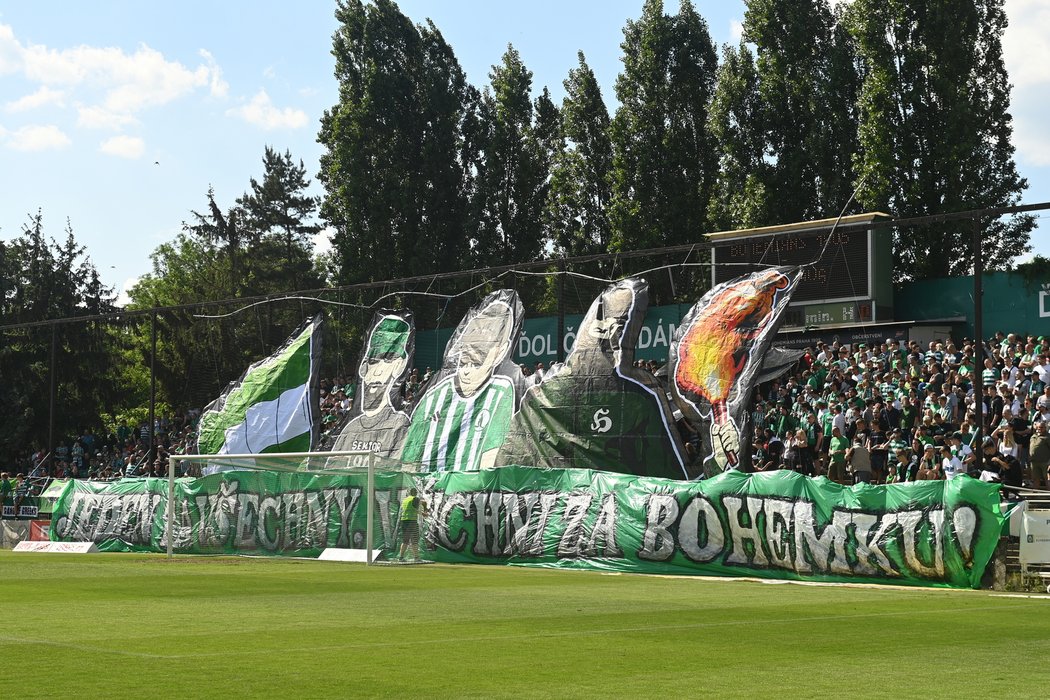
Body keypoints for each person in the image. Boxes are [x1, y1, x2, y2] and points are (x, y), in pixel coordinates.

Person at [397, 487, 428, 562]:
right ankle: (416, 557)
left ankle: (401, 557)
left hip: (404, 521)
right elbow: (422, 503)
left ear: (409, 493)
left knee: (405, 540)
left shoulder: (405, 500)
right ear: (416, 493)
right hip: (412, 521)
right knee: (414, 539)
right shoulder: (415, 499)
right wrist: (424, 512)